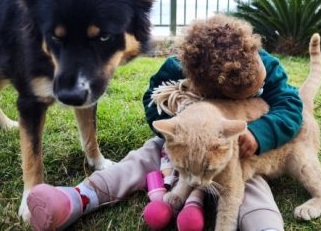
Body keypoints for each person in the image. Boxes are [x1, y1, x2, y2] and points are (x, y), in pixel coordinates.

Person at [27, 15, 303, 231]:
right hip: (183, 141)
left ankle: (265, 226)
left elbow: (291, 106)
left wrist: (258, 133)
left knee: (247, 185)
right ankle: (79, 197)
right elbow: (152, 99)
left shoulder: (263, 65)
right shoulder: (179, 67)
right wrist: (178, 127)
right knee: (142, 157)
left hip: (235, 149)